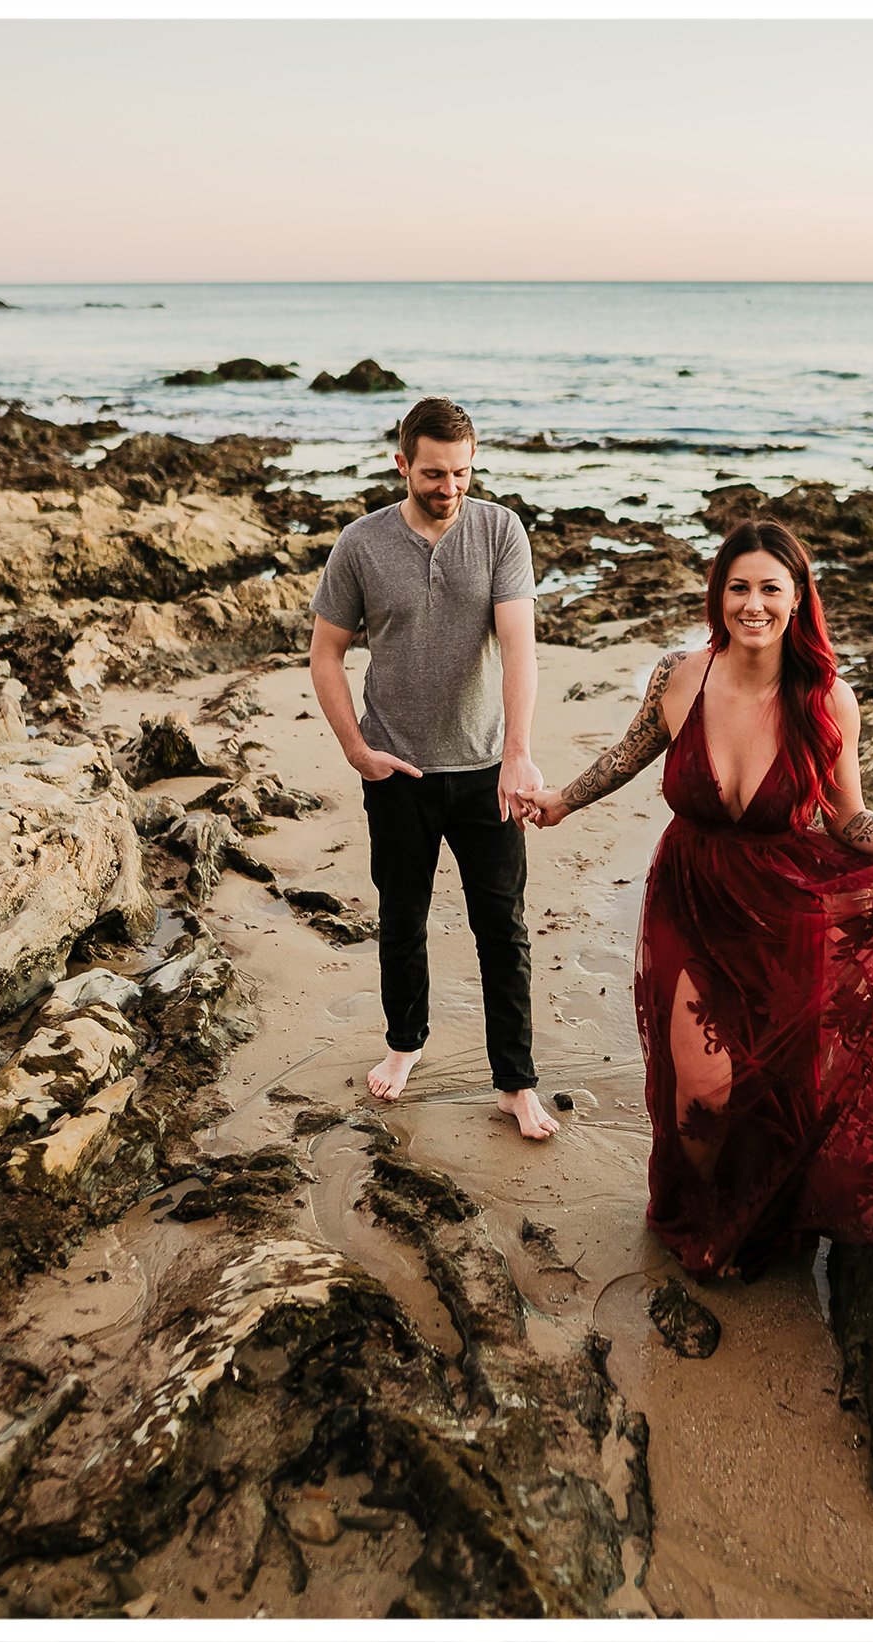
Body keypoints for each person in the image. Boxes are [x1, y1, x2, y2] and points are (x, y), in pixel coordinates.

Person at [524, 519, 873, 1277]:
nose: (753, 604)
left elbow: (849, 820)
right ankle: (699, 1212)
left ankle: (754, 1218)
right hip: (688, 899)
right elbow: (628, 753)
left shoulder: (826, 700)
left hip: (783, 912)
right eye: (739, 587)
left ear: (796, 600)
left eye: (769, 590)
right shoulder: (678, 675)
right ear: (719, 594)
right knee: (705, 1085)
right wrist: (562, 800)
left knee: (772, 1085)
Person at [308, 396, 561, 1141]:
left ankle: (516, 1083)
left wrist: (517, 753)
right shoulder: (361, 545)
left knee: (502, 931)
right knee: (402, 920)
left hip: (487, 771)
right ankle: (405, 1043)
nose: (448, 487)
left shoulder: (500, 530)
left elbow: (519, 645)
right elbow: (326, 653)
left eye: (461, 472)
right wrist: (357, 749)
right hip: (398, 772)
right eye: (432, 474)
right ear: (401, 465)